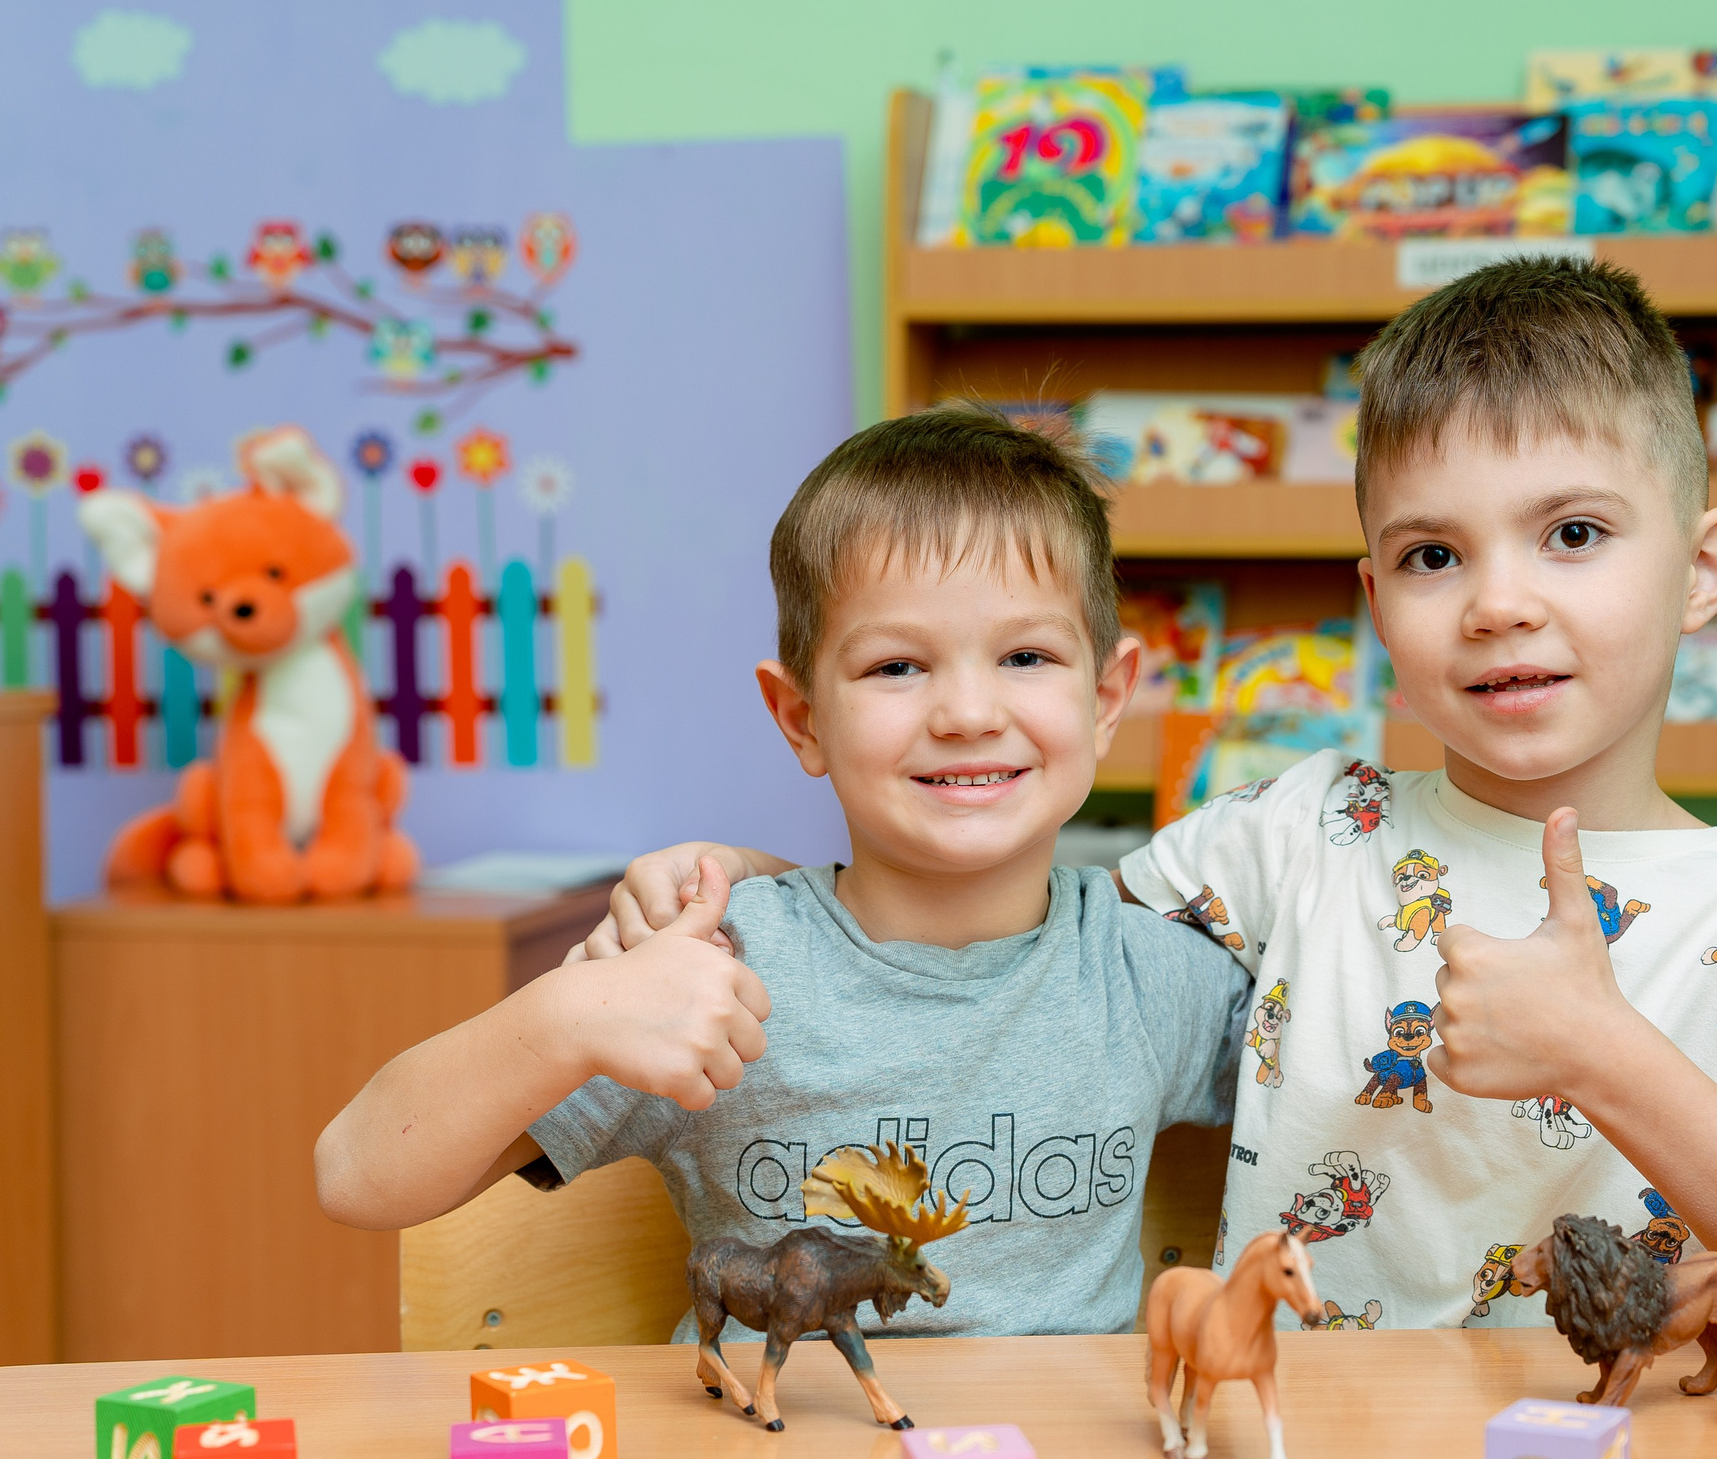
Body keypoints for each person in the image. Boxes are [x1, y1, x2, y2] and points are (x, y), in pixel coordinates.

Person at [596, 260, 1717, 1363]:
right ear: (1376, 601)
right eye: (1434, 553)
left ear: (1704, 565)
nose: (1499, 600)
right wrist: (769, 887)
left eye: (1575, 534)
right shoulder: (1290, 835)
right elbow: (993, 930)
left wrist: (1604, 1052)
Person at [313, 406, 1251, 1339]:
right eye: (896, 666)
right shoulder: (717, 966)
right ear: (801, 718)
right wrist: (569, 1015)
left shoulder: (1147, 974)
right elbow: (353, 1174)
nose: (968, 711)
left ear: (1105, 698)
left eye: (1024, 656)